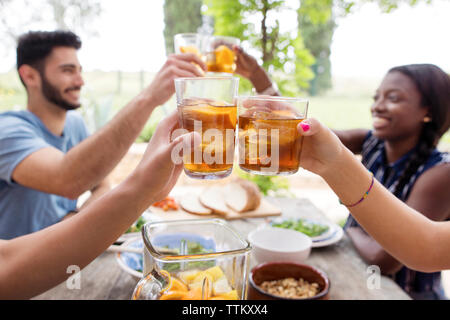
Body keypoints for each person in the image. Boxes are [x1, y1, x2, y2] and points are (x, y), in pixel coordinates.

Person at [237, 58, 450, 299]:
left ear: (428, 112)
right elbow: (305, 131)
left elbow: (385, 259)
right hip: (358, 273)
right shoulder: (372, 143)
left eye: (393, 98)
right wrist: (258, 77)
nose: (377, 106)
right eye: (376, 97)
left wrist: (350, 230)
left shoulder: (442, 173)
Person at [0, 30, 206, 239]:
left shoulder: (75, 124)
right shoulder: (7, 130)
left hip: (64, 258)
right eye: (68, 71)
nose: (80, 81)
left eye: (80, 71)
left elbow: (102, 184)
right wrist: (149, 97)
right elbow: (66, 179)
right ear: (30, 76)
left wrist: (73, 220)